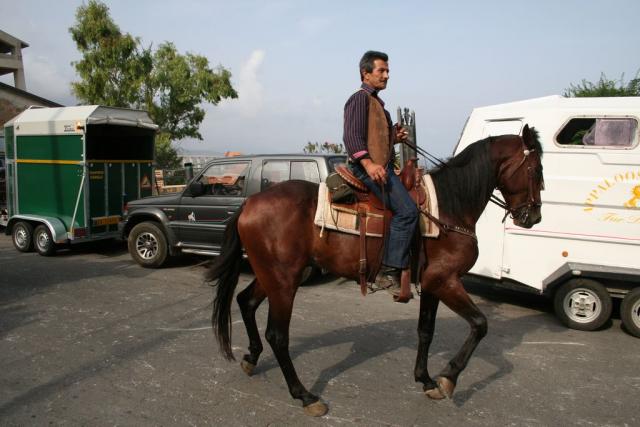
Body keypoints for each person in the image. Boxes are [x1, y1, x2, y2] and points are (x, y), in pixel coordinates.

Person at [343, 50, 419, 295]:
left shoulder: (378, 105)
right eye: (381, 71)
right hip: (366, 169)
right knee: (407, 211)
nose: (386, 75)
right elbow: (352, 137)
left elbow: (375, 138)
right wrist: (368, 164)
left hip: (380, 167)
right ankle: (389, 271)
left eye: (388, 71)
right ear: (365, 74)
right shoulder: (359, 99)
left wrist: (394, 137)